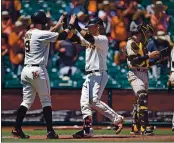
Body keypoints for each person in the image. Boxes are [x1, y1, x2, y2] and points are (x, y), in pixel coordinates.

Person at [11, 10, 74, 139]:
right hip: (38, 70)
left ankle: (17, 128)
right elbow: (62, 36)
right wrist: (70, 25)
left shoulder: (28, 33)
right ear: (42, 21)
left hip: (26, 70)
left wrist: (58, 23)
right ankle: (50, 131)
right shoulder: (40, 34)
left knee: (26, 102)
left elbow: (49, 33)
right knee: (45, 100)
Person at [66, 16, 124, 138]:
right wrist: (69, 27)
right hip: (89, 75)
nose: (89, 29)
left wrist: (76, 26)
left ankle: (117, 119)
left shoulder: (103, 39)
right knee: (84, 103)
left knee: (94, 100)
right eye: (89, 27)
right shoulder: (90, 39)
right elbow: (76, 39)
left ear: (98, 26)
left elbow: (89, 38)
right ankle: (87, 130)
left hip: (99, 73)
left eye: (91, 26)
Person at [126, 23, 160, 135]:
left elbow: (144, 62)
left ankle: (135, 126)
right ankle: (144, 127)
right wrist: (149, 56)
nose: (149, 35)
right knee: (142, 96)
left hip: (144, 73)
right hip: (135, 73)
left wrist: (157, 60)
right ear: (143, 32)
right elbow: (134, 61)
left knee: (139, 102)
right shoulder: (131, 42)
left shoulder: (142, 44)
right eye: (148, 33)